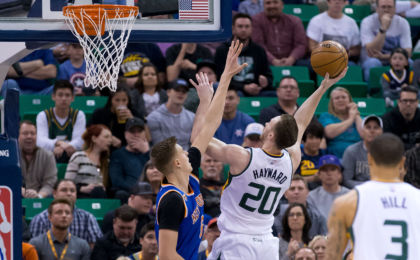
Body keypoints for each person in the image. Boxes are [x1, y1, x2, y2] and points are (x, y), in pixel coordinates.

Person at [204, 64, 348, 260]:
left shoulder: (244, 157)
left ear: (270, 134)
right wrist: (323, 87)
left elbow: (201, 136)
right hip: (266, 245)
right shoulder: (291, 161)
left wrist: (224, 79)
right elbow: (302, 122)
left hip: (236, 243)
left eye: (269, 122)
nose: (265, 122)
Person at [154, 41, 248, 260]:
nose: (189, 153)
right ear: (177, 163)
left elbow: (206, 129)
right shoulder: (171, 200)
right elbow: (166, 256)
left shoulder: (190, 176)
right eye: (182, 153)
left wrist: (220, 83)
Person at [326, 133, 420, 259]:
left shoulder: (348, 202)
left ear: (369, 159)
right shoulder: (417, 198)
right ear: (403, 161)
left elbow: (332, 256)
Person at [215, 13, 274, 97]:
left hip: (256, 89)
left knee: (273, 95)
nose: (243, 29)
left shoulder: (259, 50)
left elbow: (268, 74)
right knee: (237, 95)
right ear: (233, 29)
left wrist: (266, 81)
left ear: (251, 29)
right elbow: (219, 77)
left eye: (247, 26)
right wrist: (243, 87)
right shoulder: (222, 50)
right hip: (233, 90)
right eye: (240, 26)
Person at [29, 179, 103, 246]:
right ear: (54, 193)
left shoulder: (88, 218)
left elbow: (96, 247)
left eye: (72, 191)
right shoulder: (40, 219)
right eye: (64, 190)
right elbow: (35, 249)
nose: (69, 193)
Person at [360, 0, 412, 81]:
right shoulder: (367, 22)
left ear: (395, 9)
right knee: (373, 63)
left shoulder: (403, 23)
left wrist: (385, 57)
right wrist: (383, 28)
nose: (386, 10)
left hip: (394, 59)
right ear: (377, 9)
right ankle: (373, 92)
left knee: (410, 62)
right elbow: (372, 51)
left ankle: (406, 90)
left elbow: (407, 52)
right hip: (372, 59)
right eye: (383, 7)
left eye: (389, 7)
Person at [36, 80, 86, 163]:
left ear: (72, 98)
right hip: (49, 155)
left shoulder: (79, 115)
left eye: (67, 95)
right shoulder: (43, 115)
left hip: (71, 154)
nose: (63, 98)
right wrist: (57, 143)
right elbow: (40, 141)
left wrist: (64, 147)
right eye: (60, 95)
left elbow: (80, 141)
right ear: (53, 97)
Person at [252, 0, 307, 66]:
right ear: (263, 6)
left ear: (282, 5)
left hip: (293, 60)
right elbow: (259, 45)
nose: (272, 6)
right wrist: (273, 60)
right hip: (266, 61)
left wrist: (291, 59)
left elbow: (301, 44)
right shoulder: (256, 20)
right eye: (268, 3)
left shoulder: (294, 21)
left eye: (275, 2)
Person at [147, 78, 195, 150]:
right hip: (164, 158)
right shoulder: (153, 118)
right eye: (177, 90)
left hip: (188, 157)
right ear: (168, 92)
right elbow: (159, 146)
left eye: (184, 91)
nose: (181, 93)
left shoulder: (192, 117)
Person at [109, 118, 150, 201]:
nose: (136, 135)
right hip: (129, 193)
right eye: (132, 131)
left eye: (139, 131)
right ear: (125, 134)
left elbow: (159, 176)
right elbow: (117, 181)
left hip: (150, 192)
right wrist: (137, 190)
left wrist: (146, 153)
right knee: (120, 194)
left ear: (144, 134)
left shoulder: (152, 154)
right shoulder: (118, 155)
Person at [319, 87, 362, 158]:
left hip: (358, 157)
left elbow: (364, 134)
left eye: (344, 97)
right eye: (337, 98)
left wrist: (356, 114)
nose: (340, 100)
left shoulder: (359, 119)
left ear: (350, 100)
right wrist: (350, 119)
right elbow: (329, 133)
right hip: (336, 157)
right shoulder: (326, 116)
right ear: (332, 103)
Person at [342, 115, 383, 189]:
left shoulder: (388, 152)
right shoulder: (351, 151)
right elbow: (346, 180)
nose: (372, 131)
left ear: (381, 132)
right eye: (368, 127)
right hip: (358, 192)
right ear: (362, 131)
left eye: (376, 128)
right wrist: (368, 187)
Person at [19, 121, 57, 198]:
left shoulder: (48, 156)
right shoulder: (11, 156)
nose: (29, 136)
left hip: (41, 196)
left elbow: (50, 183)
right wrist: (17, 189)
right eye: (25, 133)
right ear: (18, 136)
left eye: (32, 134)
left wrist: (39, 195)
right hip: (17, 194)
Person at [307, 155, 349, 220]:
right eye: (324, 170)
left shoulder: (349, 195)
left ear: (339, 174)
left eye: (333, 169)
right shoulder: (311, 197)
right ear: (319, 174)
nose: (329, 173)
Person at [382, 85, 420, 150]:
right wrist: (415, 147)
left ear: (417, 102)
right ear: (399, 102)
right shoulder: (387, 119)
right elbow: (388, 145)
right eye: (405, 101)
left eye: (412, 101)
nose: (408, 104)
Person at [296, 121, 326, 189]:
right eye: (311, 137)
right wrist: (312, 178)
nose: (314, 141)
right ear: (303, 140)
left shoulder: (326, 155)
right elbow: (291, 180)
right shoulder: (297, 157)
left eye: (317, 137)